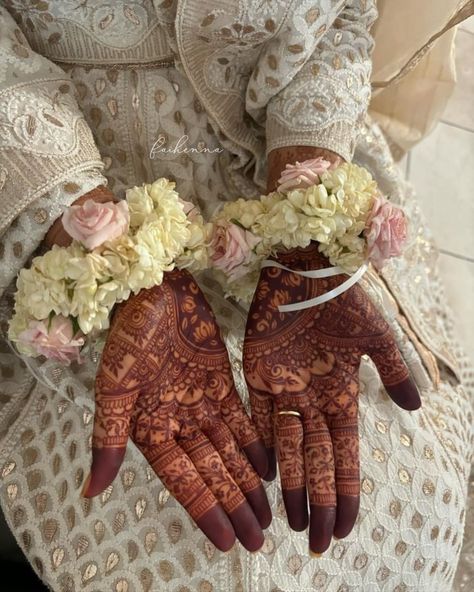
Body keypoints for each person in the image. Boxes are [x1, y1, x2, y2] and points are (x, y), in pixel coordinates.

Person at [0, 1, 472, 591]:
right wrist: (108, 260)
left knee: (412, 497)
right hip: (63, 162)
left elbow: (338, 17)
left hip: (279, 141)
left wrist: (307, 232)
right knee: (159, 552)